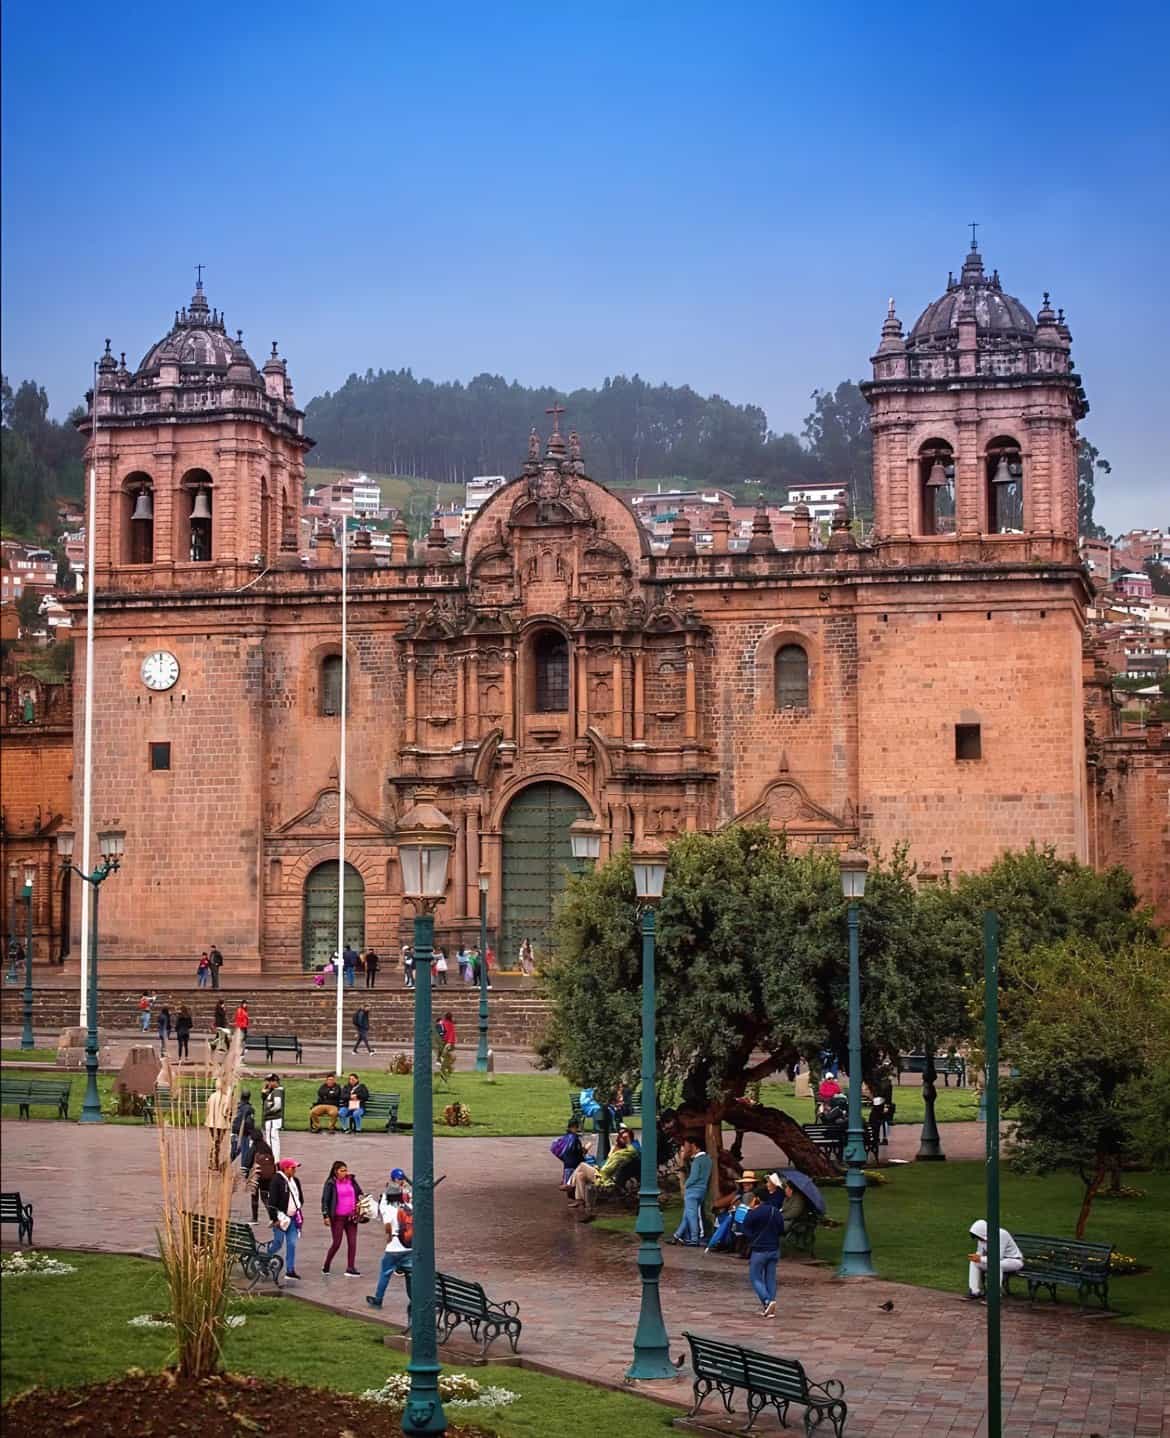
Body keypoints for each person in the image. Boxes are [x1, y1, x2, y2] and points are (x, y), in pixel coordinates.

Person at [567, 1126, 640, 1216]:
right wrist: (612, 1151)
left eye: (625, 1138)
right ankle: (580, 1202)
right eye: (621, 1137)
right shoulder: (622, 1151)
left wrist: (626, 1142)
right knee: (580, 1175)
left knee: (582, 1165)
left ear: (629, 1139)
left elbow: (606, 1171)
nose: (622, 1139)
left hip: (605, 1179)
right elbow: (609, 1163)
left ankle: (570, 1185)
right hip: (604, 1175)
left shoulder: (627, 1152)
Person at [366, 1180, 413, 1309]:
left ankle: (378, 1299)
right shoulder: (408, 1207)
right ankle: (414, 1299)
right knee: (410, 1276)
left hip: (393, 1248)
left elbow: (387, 1225)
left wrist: (388, 1238)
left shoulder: (387, 1209)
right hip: (409, 1247)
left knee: (385, 1274)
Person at [742, 1185, 785, 1317]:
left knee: (755, 1277)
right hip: (774, 1249)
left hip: (760, 1250)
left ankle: (767, 1301)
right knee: (770, 1278)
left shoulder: (754, 1212)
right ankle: (770, 1305)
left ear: (757, 1198)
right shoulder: (776, 1211)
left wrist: (753, 1237)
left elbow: (744, 1228)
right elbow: (781, 1230)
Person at [321, 1159, 364, 1276]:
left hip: (351, 1217)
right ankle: (326, 1265)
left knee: (352, 1242)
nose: (345, 1173)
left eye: (346, 1170)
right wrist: (325, 1215)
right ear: (336, 1171)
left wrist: (361, 1201)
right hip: (337, 1218)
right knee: (337, 1243)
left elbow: (360, 1193)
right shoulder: (331, 1183)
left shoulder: (351, 1180)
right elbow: (325, 1200)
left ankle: (350, 1267)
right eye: (342, 1170)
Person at [266, 1157, 305, 1281]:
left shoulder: (295, 1181)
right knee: (278, 1242)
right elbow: (272, 1202)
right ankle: (264, 1260)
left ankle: (290, 1270)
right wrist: (274, 1219)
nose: (294, 1170)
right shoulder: (276, 1181)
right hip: (281, 1218)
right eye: (292, 1168)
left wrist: (298, 1207)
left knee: (292, 1244)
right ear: (285, 1168)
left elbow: (300, 1197)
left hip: (293, 1218)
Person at [966, 1219, 1024, 1300]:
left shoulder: (1001, 1234)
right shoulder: (981, 1237)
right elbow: (980, 1253)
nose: (978, 1239)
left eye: (978, 1237)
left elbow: (997, 1257)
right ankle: (974, 1291)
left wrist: (980, 1258)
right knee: (974, 1262)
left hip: (1014, 1260)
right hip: (997, 1261)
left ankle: (994, 1295)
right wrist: (975, 1257)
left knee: (997, 1265)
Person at [670, 1138, 713, 1247]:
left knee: (692, 1215)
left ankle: (694, 1238)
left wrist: (686, 1184)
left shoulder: (697, 1161)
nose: (690, 1148)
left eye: (692, 1146)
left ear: (696, 1147)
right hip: (702, 1189)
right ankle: (676, 1236)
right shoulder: (708, 1159)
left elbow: (694, 1176)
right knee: (688, 1214)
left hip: (692, 1190)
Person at [245, 1122, 277, 1222]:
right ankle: (273, 1218)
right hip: (268, 1176)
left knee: (254, 1197)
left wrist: (246, 1174)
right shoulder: (267, 1147)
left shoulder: (254, 1147)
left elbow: (248, 1161)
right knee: (265, 1197)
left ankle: (254, 1219)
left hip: (257, 1174)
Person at [551, 1117, 591, 1186]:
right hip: (574, 1167)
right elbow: (578, 1154)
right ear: (573, 1127)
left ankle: (566, 1182)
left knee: (568, 1184)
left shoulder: (566, 1137)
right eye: (577, 1127)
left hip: (567, 1167)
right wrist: (585, 1150)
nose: (578, 1129)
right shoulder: (574, 1139)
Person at [204, 1077, 233, 1171]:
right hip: (220, 1124)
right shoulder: (225, 1098)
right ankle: (214, 1162)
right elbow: (226, 1112)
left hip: (211, 1122)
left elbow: (207, 1109)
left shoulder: (212, 1096)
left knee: (215, 1142)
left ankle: (212, 1161)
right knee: (217, 1143)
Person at [261, 1072, 284, 1161]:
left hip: (272, 1119)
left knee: (271, 1140)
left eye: (269, 1081)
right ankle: (275, 1159)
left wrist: (268, 1112)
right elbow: (264, 1098)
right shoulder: (273, 1091)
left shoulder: (277, 1091)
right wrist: (264, 1091)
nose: (268, 1083)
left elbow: (277, 1106)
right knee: (272, 1139)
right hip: (272, 1119)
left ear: (274, 1081)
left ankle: (273, 1160)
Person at [231, 1088, 255, 1163]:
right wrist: (251, 1132)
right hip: (244, 1133)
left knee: (234, 1150)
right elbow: (249, 1123)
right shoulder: (250, 1109)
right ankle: (244, 1166)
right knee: (245, 1150)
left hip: (234, 1131)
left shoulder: (236, 1107)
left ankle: (227, 1163)